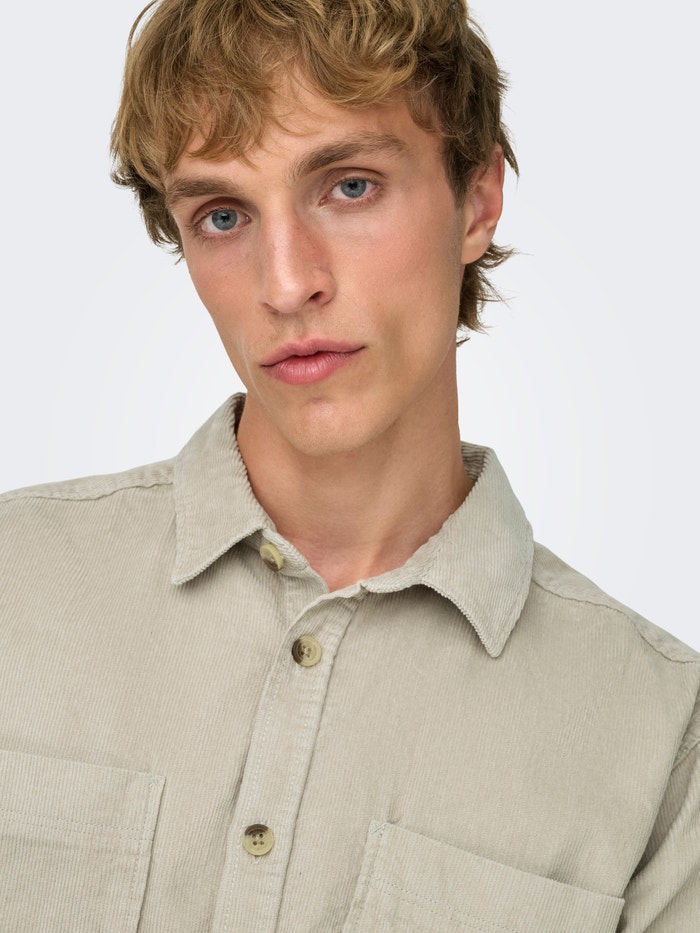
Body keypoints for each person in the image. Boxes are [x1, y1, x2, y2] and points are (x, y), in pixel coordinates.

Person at [0, 0, 697, 929]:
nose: (287, 283)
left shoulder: (662, 734)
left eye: (351, 187)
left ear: (478, 200)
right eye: (222, 215)